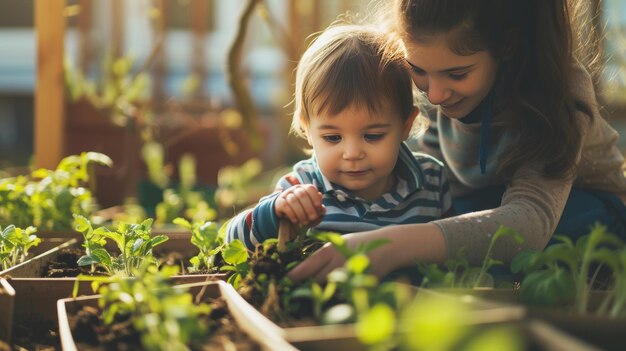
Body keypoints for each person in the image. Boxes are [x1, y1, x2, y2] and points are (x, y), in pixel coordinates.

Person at [287, 0, 626, 283]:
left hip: (581, 215)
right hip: (479, 205)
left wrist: (392, 243)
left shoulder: (558, 89)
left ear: (506, 47)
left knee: (477, 246)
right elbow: (428, 177)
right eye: (418, 70)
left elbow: (530, 221)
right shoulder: (433, 78)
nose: (433, 95)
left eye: (457, 74)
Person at [225, 23, 453, 250]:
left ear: (405, 125)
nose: (353, 154)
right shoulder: (301, 187)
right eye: (333, 138)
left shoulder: (431, 182)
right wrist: (274, 213)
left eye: (372, 136)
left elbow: (455, 255)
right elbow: (231, 243)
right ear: (308, 130)